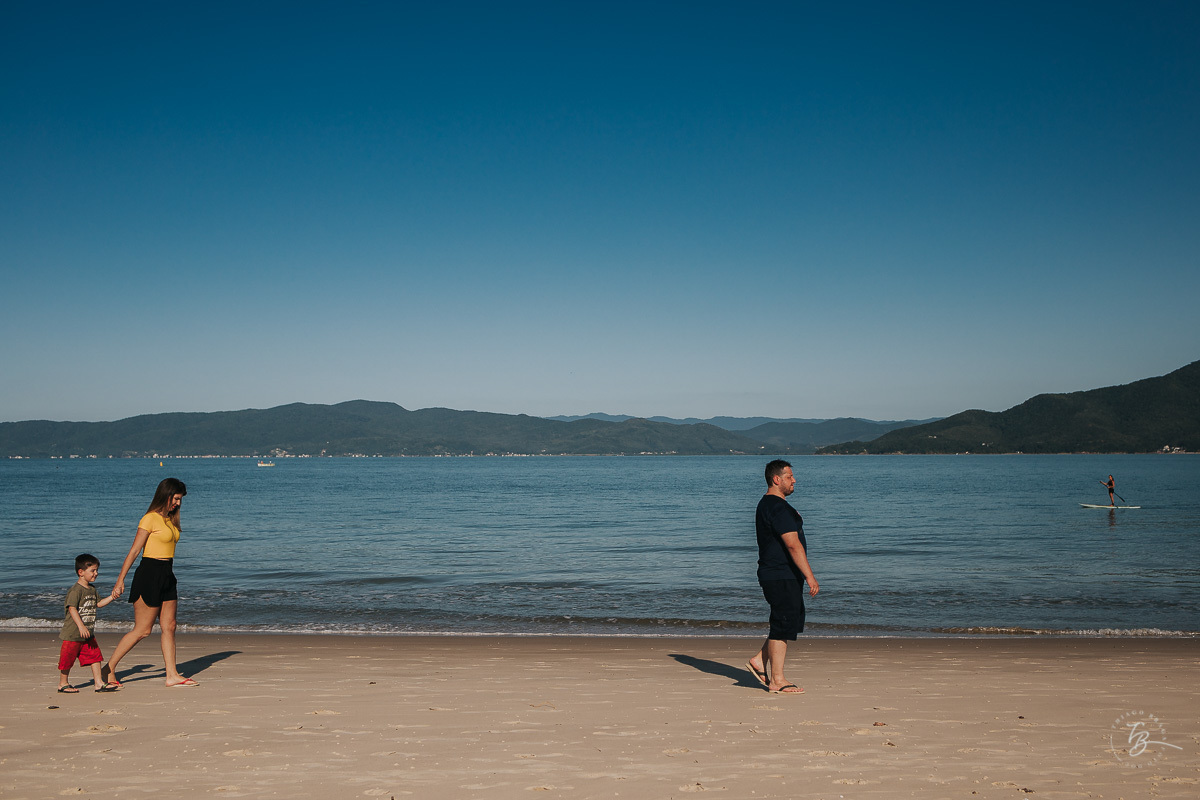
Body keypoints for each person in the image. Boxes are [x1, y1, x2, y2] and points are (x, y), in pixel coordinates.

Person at [101, 478, 199, 688]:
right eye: (176, 498)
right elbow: (134, 551)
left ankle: (172, 675)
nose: (178, 504)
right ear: (165, 495)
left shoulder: (170, 520)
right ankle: (109, 668)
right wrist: (120, 581)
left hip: (167, 574)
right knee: (143, 630)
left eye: (180, 500)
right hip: (149, 574)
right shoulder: (149, 519)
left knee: (169, 626)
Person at [746, 459, 818, 694]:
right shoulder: (777, 507)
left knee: (788, 621)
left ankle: (759, 660)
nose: (794, 480)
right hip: (779, 574)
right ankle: (777, 680)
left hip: (780, 573)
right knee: (782, 624)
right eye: (789, 477)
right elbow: (793, 545)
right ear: (776, 480)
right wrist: (810, 576)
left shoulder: (769, 505)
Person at [58, 553, 119, 693]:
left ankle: (98, 683)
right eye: (93, 571)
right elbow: (72, 609)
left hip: (88, 634)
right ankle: (63, 683)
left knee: (95, 657)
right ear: (81, 572)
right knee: (67, 659)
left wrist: (112, 596)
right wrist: (81, 626)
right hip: (73, 633)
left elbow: (99, 604)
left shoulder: (92, 589)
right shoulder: (75, 591)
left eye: (97, 570)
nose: (96, 573)